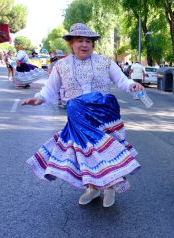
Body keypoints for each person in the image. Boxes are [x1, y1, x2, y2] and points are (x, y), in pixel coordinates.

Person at [20, 23, 144, 208]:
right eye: (80, 41)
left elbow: (122, 81)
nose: (84, 45)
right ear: (71, 43)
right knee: (85, 154)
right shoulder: (61, 65)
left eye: (88, 41)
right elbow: (50, 89)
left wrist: (133, 85)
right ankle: (93, 187)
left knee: (105, 151)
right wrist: (39, 99)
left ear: (93, 44)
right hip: (78, 117)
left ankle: (109, 187)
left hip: (104, 115)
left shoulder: (105, 62)